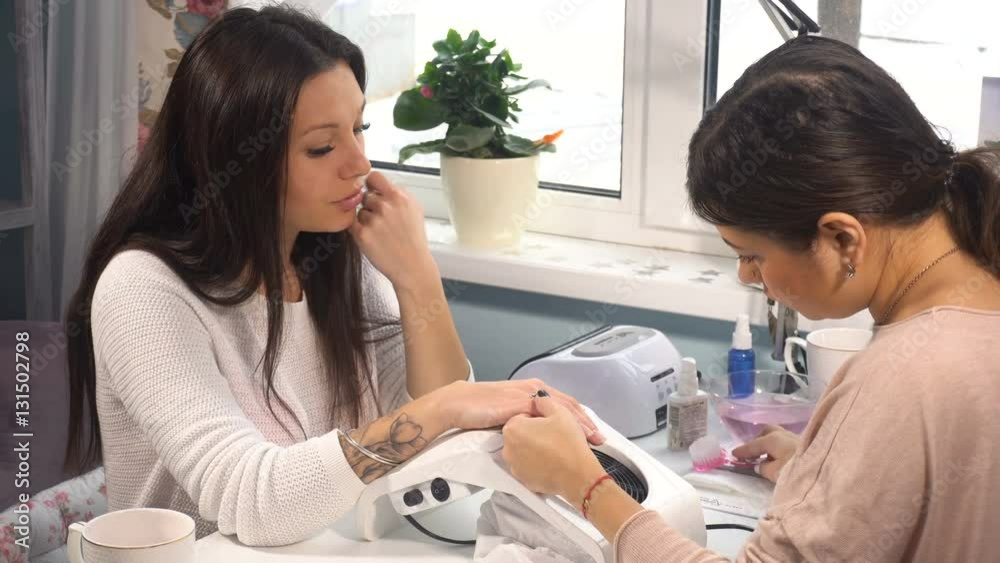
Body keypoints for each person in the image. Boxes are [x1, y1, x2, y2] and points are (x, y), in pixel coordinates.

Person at [62, 6, 602, 546]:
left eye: (359, 128)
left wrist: (417, 277)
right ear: (235, 160)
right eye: (322, 147)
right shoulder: (141, 290)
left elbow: (443, 450)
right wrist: (444, 408)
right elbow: (253, 503)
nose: (358, 163)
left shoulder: (336, 257)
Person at [502, 35, 1000, 562]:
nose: (746, 275)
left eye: (752, 255)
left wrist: (585, 486)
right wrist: (830, 475)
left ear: (841, 239)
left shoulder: (898, 379)